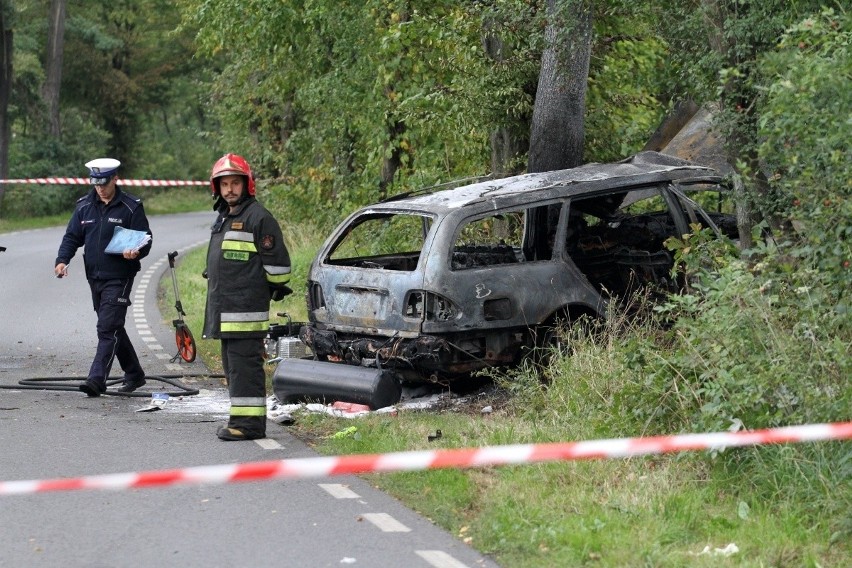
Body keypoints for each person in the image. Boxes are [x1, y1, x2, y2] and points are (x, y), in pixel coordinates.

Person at [203, 153, 292, 441]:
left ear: (247, 184)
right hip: (226, 310)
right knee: (234, 369)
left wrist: (260, 286)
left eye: (235, 183)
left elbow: (279, 269)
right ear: (217, 188)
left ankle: (250, 426)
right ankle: (240, 420)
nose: (230, 189)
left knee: (245, 368)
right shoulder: (225, 217)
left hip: (244, 311)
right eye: (224, 184)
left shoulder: (258, 218)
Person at [55, 158, 153, 397]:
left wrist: (136, 251)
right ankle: (135, 374)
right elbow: (72, 237)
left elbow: (145, 238)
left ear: (115, 179)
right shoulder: (84, 206)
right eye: (95, 182)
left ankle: (96, 379)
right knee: (114, 326)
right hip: (95, 276)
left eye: (104, 182)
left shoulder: (130, 206)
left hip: (120, 276)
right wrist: (62, 260)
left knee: (107, 328)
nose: (100, 187)